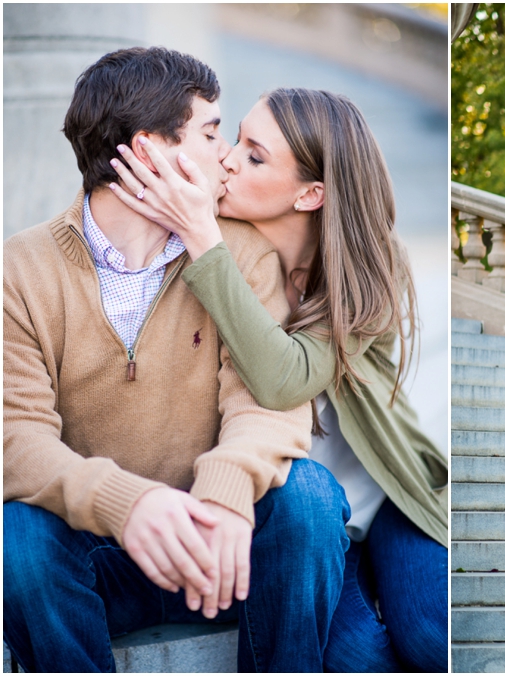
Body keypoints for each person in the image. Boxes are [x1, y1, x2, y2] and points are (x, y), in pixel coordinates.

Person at [3, 47, 351, 673]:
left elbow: (269, 406)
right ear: (149, 151)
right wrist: (125, 503)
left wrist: (222, 496)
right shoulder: (19, 270)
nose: (225, 156)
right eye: (212, 132)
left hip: (226, 553)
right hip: (99, 556)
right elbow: (15, 436)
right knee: (17, 537)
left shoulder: (235, 250)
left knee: (309, 498)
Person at [107, 87, 449, 671]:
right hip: (304, 518)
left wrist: (203, 239)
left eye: (255, 155)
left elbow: (284, 378)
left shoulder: (366, 271)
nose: (230, 159)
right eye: (235, 138)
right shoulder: (227, 249)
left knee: (429, 638)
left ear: (311, 193)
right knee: (360, 660)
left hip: (388, 498)